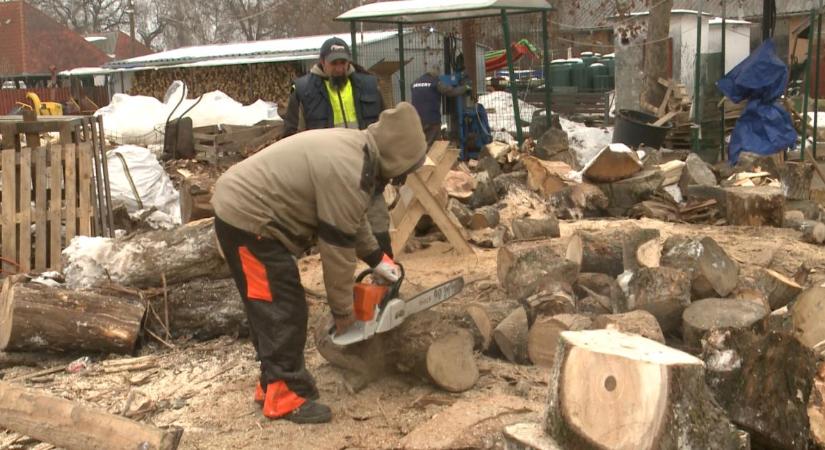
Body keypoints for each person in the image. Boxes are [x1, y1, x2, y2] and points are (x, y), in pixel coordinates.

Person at [211, 102, 427, 424]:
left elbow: (350, 216)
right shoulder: (350, 167)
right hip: (250, 221)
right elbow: (336, 251)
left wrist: (377, 259)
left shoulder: (357, 151)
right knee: (282, 308)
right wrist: (344, 315)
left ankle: (272, 383)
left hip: (244, 215)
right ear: (397, 158)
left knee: (269, 307)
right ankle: (284, 397)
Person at [280, 37, 395, 256]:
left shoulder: (368, 85)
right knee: (337, 237)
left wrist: (391, 163)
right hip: (328, 176)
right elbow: (290, 138)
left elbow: (385, 127)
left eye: (343, 63)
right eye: (334, 63)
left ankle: (388, 283)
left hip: (366, 171)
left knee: (379, 227)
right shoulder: (304, 91)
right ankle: (345, 286)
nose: (340, 68)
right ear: (322, 62)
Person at [410, 63, 470, 147]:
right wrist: (466, 88)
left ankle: (422, 158)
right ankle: (432, 159)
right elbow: (451, 92)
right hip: (432, 120)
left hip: (416, 120)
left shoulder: (414, 83)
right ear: (437, 73)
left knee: (421, 144)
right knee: (434, 145)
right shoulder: (435, 82)